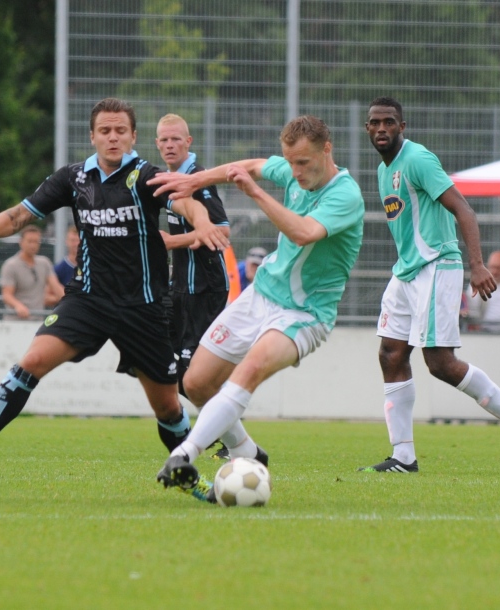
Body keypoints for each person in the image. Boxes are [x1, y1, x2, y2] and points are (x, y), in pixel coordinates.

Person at [0, 97, 228, 487]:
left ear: (133, 136)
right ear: (92, 136)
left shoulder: (146, 176)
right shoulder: (73, 178)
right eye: (105, 131)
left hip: (143, 309)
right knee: (30, 363)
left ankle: (191, 479)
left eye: (120, 131)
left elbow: (185, 201)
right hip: (86, 300)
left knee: (168, 406)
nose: (113, 138)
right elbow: (22, 213)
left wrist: (203, 222)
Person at [148, 115, 365, 500]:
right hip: (260, 296)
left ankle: (184, 454)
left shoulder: (344, 195)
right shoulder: (292, 170)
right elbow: (247, 166)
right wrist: (194, 180)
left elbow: (301, 232)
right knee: (196, 383)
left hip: (303, 315)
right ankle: (247, 452)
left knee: (245, 373)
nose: (296, 172)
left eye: (304, 163)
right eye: (290, 162)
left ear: (326, 150)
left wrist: (255, 193)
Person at [360, 96, 500, 473]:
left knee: (440, 364)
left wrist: (475, 264)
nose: (382, 129)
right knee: (390, 354)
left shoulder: (417, 159)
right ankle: (403, 457)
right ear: (367, 128)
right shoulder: (384, 170)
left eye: (389, 122)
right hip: (407, 272)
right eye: (375, 123)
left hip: (436, 267)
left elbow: (463, 208)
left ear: (402, 127)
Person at [155, 112, 231, 458]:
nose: (169, 145)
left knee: (188, 374)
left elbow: (222, 233)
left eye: (176, 139)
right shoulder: (165, 179)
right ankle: (220, 426)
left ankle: (227, 434)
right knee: (156, 361)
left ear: (189, 142)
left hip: (205, 289)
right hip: (178, 289)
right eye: (163, 140)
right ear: (157, 144)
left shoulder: (198, 179)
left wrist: (172, 243)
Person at [0, 225, 64, 320]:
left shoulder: (44, 263)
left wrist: (70, 300)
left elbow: (56, 287)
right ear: (21, 242)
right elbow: (7, 295)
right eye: (30, 241)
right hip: (15, 321)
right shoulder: (11, 265)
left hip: (37, 320)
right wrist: (18, 306)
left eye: (36, 242)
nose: (33, 245)